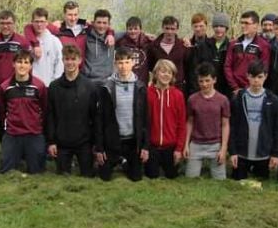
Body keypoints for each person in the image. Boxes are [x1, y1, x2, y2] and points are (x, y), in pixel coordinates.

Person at [95, 47, 148, 181]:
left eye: (126, 62)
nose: (123, 66)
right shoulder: (107, 87)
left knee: (136, 177)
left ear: (132, 63)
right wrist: (100, 148)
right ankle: (117, 159)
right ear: (115, 64)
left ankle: (124, 162)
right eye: (120, 62)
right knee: (104, 176)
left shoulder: (141, 87)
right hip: (113, 140)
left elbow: (145, 120)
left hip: (132, 141)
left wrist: (145, 147)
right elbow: (100, 119)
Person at [46, 44, 97, 177]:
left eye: (73, 59)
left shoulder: (89, 86)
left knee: (88, 176)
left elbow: (95, 117)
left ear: (79, 60)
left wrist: (96, 144)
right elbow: (50, 116)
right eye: (67, 59)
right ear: (62, 60)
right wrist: (51, 142)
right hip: (62, 143)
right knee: (63, 177)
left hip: (84, 142)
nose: (70, 62)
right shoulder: (54, 87)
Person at [229, 61, 278, 180]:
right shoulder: (238, 98)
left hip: (263, 154)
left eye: (260, 77)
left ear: (266, 76)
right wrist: (232, 152)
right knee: (238, 182)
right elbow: (232, 126)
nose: (256, 81)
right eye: (253, 77)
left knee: (262, 182)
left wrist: (275, 154)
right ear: (247, 76)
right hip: (241, 154)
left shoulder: (273, 100)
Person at [0, 10, 31, 143]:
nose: (5, 26)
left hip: (18, 87)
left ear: (14, 24)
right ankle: (5, 148)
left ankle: (21, 150)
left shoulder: (22, 42)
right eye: (2, 23)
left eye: (9, 23)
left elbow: (28, 65)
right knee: (0, 119)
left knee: (20, 118)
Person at [0, 50, 47, 174]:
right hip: (13, 133)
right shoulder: (5, 87)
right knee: (6, 171)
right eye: (19, 61)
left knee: (37, 171)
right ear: (13, 64)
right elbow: (1, 112)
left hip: (34, 133)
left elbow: (45, 110)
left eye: (26, 62)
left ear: (30, 66)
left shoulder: (39, 86)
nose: (22, 65)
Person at [184, 63, 230, 180]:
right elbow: (190, 122)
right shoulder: (192, 99)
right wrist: (186, 145)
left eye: (207, 80)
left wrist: (223, 148)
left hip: (215, 144)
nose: (204, 84)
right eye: (201, 81)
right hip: (196, 144)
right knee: (190, 179)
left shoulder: (223, 100)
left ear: (214, 80)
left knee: (220, 180)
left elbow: (225, 125)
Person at [23, 0, 114, 59]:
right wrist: (36, 45)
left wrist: (110, 34)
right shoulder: (57, 28)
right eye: (70, 15)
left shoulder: (86, 26)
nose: (73, 18)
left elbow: (104, 26)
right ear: (64, 15)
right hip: (64, 70)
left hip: (82, 73)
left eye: (75, 14)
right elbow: (29, 27)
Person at [145, 59, 186, 179]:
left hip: (171, 146)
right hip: (152, 146)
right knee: (152, 175)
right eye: (163, 71)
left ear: (173, 76)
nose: (166, 75)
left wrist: (178, 149)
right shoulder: (147, 93)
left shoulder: (178, 95)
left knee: (172, 175)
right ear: (156, 73)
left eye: (169, 73)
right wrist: (145, 147)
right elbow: (143, 123)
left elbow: (181, 124)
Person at [224, 11, 271, 97]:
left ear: (255, 25)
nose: (243, 26)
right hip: (233, 91)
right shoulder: (233, 44)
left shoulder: (263, 45)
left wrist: (251, 87)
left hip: (253, 90)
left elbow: (264, 69)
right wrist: (235, 87)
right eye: (241, 23)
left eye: (246, 23)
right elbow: (227, 66)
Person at [188, 13, 231, 97]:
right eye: (216, 26)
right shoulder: (203, 46)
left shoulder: (231, 46)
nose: (219, 29)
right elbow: (194, 70)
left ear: (226, 28)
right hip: (204, 90)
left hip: (224, 92)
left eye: (222, 26)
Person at [146, 16, 190, 91]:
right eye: (167, 28)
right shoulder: (153, 46)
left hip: (178, 88)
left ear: (177, 30)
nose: (169, 32)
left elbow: (187, 66)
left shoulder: (183, 46)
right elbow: (151, 67)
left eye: (172, 29)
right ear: (162, 28)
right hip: (159, 87)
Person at [29, 7, 63, 86]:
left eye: (42, 21)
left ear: (47, 22)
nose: (39, 24)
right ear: (32, 22)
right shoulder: (27, 42)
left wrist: (55, 83)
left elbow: (60, 64)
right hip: (31, 86)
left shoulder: (55, 41)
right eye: (36, 21)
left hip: (50, 85)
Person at [115, 16, 152, 84]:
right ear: (126, 30)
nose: (133, 31)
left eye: (135, 29)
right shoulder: (121, 42)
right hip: (126, 80)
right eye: (130, 29)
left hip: (142, 81)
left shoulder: (148, 42)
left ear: (140, 29)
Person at [82, 9, 116, 84]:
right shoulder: (85, 36)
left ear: (109, 24)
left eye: (104, 23)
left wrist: (147, 36)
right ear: (93, 23)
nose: (101, 26)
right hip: (88, 82)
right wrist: (83, 21)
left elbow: (132, 33)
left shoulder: (114, 38)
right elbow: (73, 21)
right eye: (99, 22)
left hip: (107, 83)